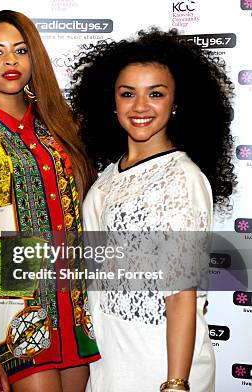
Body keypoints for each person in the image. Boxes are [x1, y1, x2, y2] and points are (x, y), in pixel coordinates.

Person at [0, 10, 100, 392]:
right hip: (15, 320)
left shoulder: (62, 130)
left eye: (20, 50)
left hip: (73, 314)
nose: (10, 61)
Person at [69, 28, 236, 392]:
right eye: (127, 94)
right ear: (111, 102)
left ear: (176, 102)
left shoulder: (181, 179)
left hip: (158, 364)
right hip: (112, 360)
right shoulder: (111, 174)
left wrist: (176, 383)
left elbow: (180, 293)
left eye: (155, 94)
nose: (140, 106)